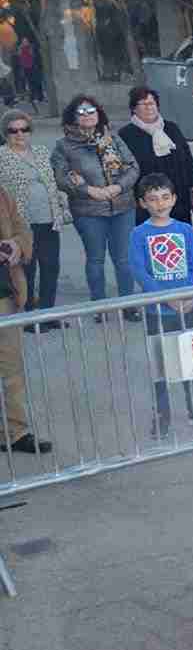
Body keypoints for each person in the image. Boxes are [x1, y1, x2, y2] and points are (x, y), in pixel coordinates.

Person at [131, 173, 193, 440]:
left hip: (188, 307)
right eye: (153, 199)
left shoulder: (185, 230)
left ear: (174, 199)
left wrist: (190, 295)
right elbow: (140, 270)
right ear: (143, 203)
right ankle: (162, 415)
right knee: (161, 367)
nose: (160, 204)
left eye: (165, 197)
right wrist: (165, 298)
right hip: (158, 311)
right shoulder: (139, 234)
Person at [52, 94, 141, 314]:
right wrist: (89, 190)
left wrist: (118, 187)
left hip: (123, 207)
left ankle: (128, 305)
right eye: (81, 112)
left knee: (124, 259)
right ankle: (99, 306)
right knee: (95, 259)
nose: (87, 115)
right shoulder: (64, 146)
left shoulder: (112, 138)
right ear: (73, 118)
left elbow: (133, 167)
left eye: (91, 110)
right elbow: (61, 177)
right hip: (88, 211)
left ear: (98, 113)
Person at [0, 180, 51, 454]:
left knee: (11, 369)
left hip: (5, 296)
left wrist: (17, 245)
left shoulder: (2, 193)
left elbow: (22, 229)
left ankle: (14, 432)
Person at [0, 109, 65, 321]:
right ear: (5, 134)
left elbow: (52, 180)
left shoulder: (41, 151)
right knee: (26, 269)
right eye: (13, 131)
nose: (20, 134)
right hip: (21, 224)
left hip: (48, 219)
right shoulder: (2, 156)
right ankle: (28, 316)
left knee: (51, 267)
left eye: (24, 129)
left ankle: (48, 314)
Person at [118, 86, 193, 229]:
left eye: (152, 103)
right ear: (134, 108)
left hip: (178, 196)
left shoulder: (172, 128)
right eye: (143, 104)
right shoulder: (126, 134)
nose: (149, 107)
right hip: (147, 201)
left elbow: (187, 159)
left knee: (179, 234)